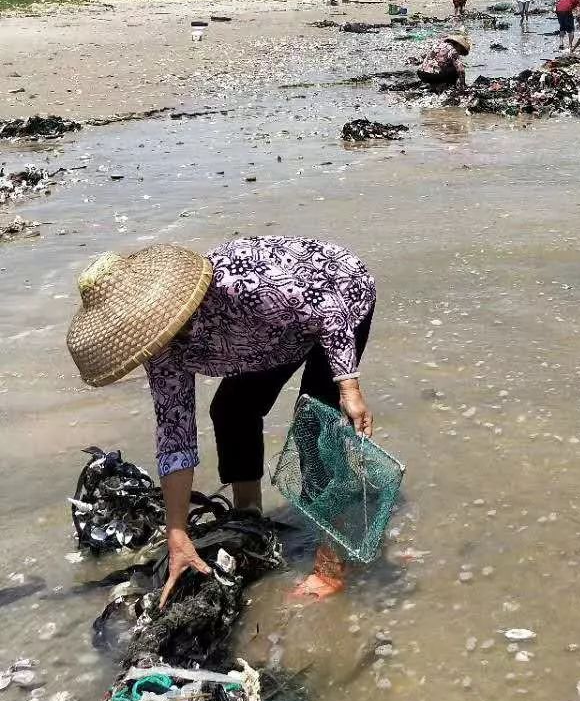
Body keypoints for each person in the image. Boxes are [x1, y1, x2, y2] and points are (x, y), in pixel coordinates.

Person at [66, 237, 377, 603]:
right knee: (231, 410)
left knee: (314, 429)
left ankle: (332, 565)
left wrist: (349, 387)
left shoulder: (238, 284)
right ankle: (250, 520)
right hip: (270, 339)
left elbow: (329, 311)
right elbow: (175, 434)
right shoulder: (162, 350)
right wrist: (177, 531)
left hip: (341, 297)